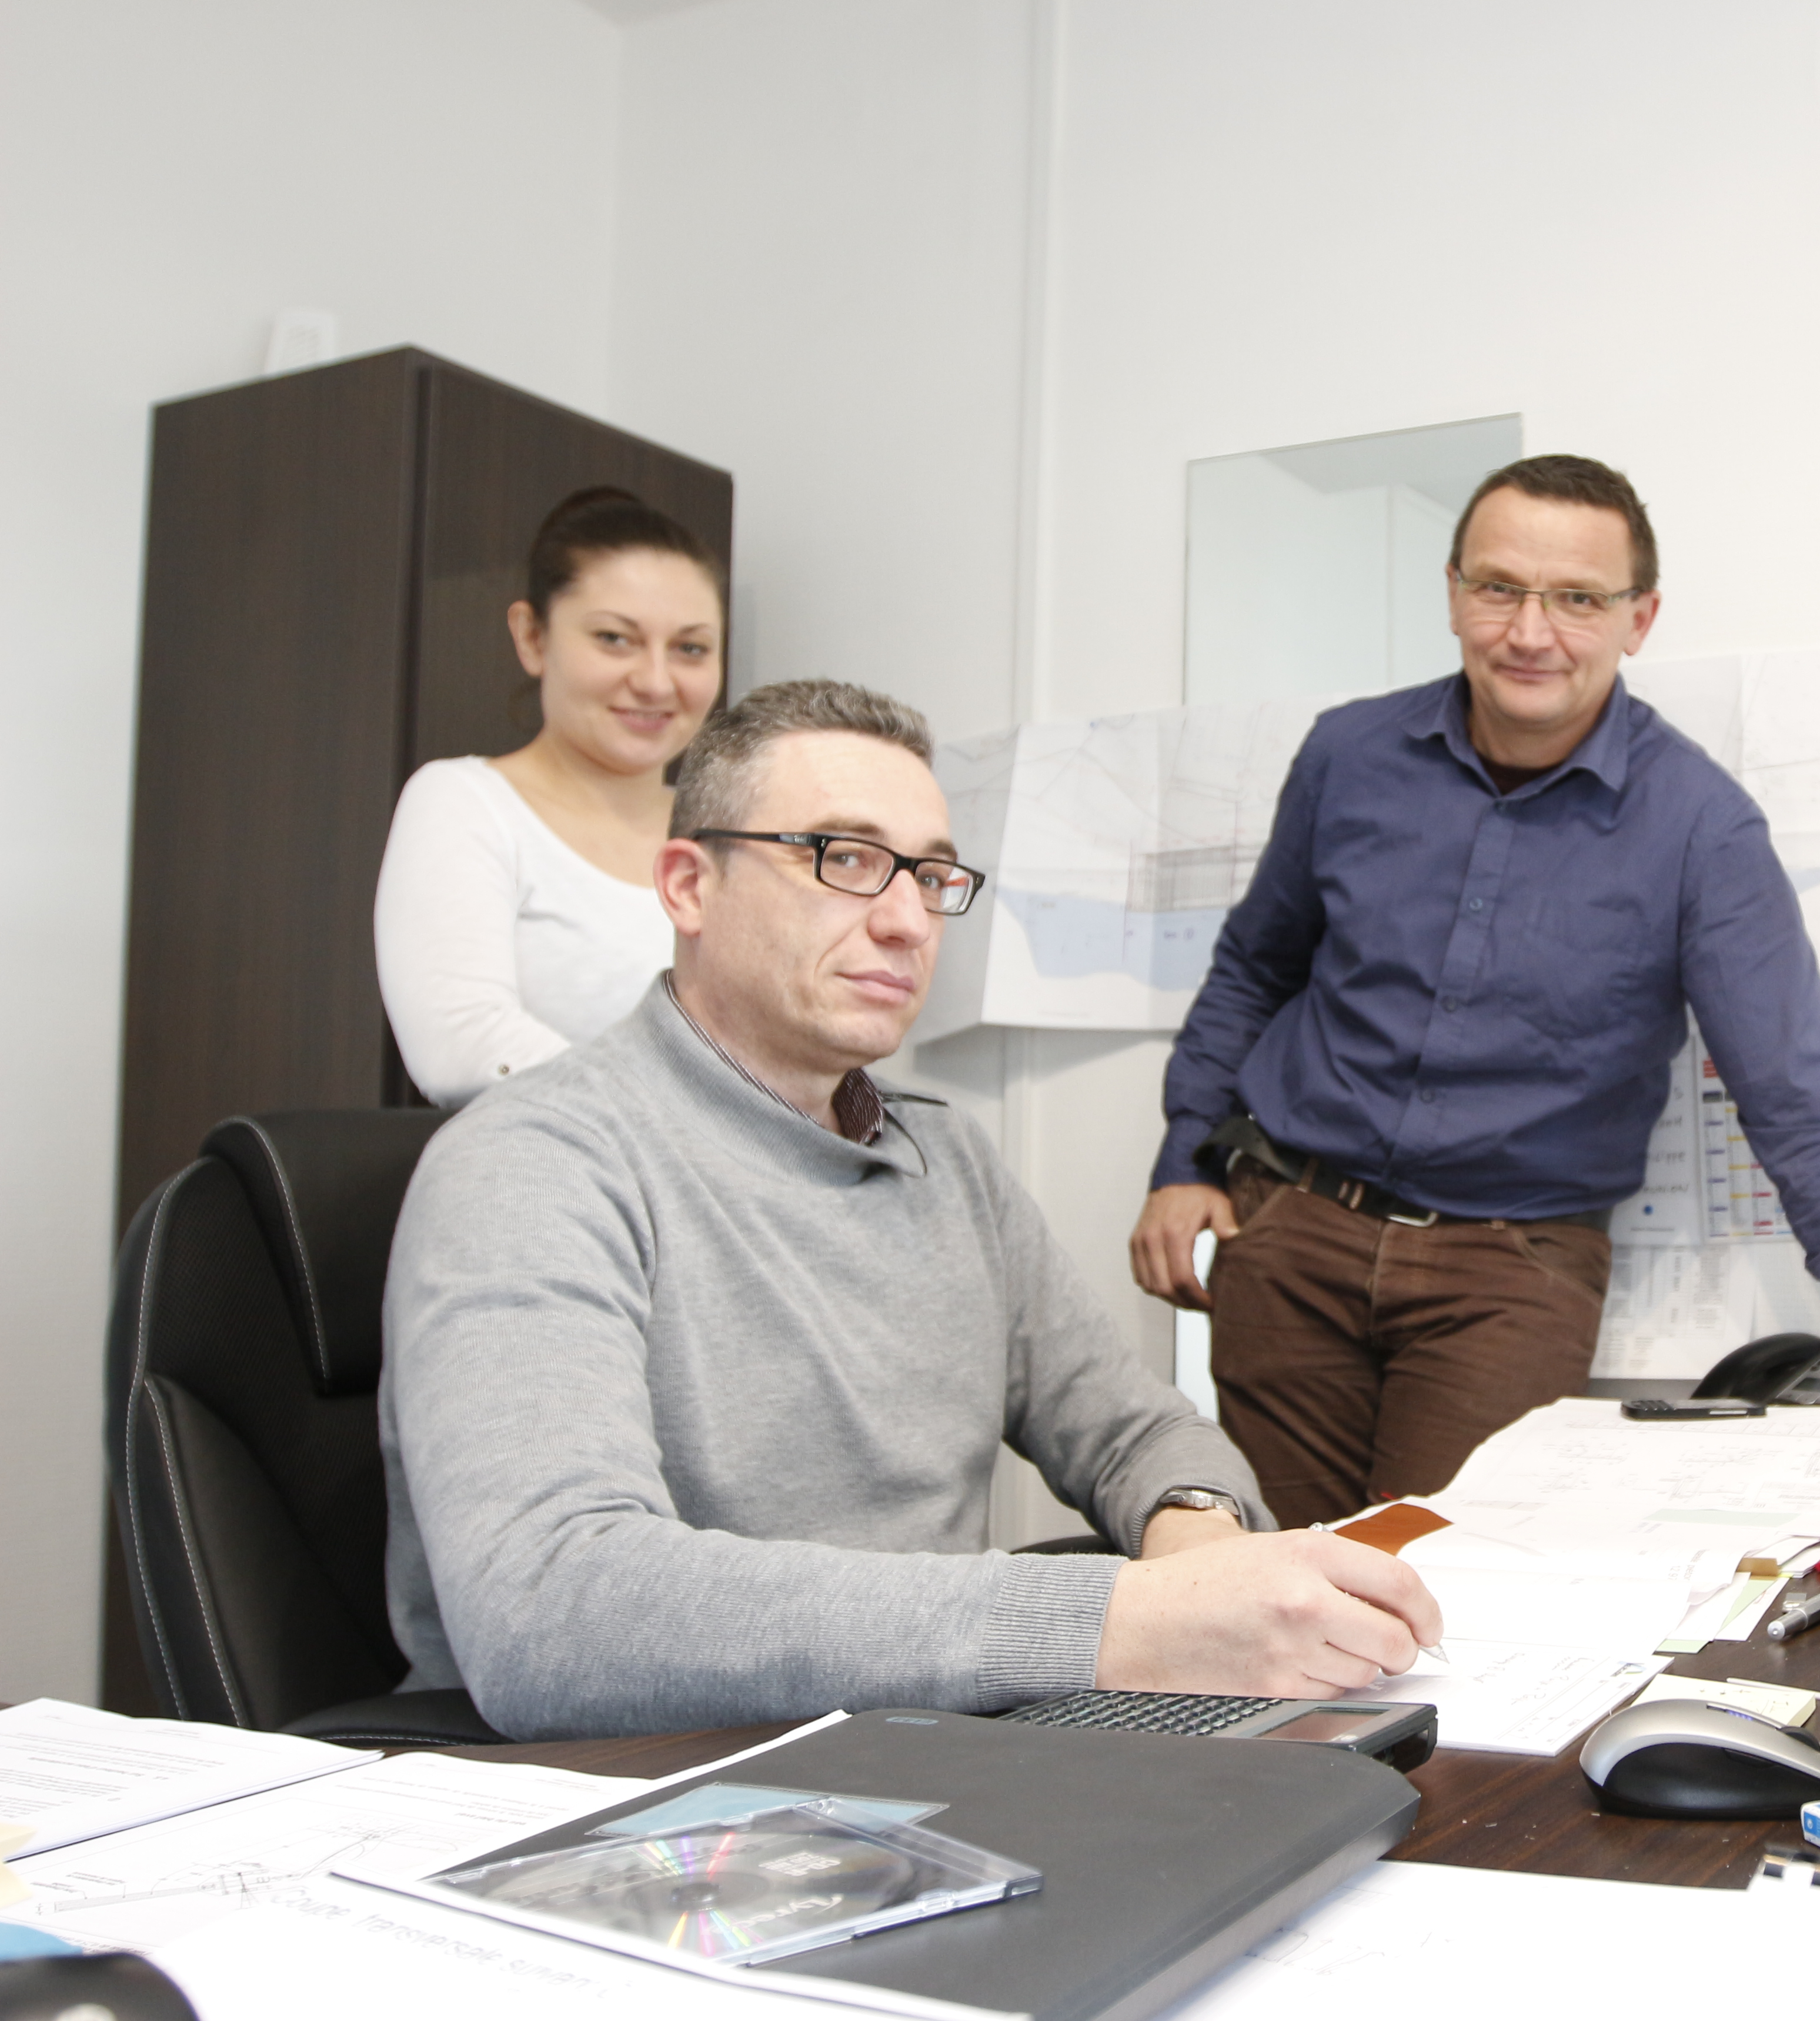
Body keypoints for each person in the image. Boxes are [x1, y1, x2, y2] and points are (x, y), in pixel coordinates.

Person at [379, 679, 1442, 1740]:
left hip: (921, 1747)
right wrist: (1119, 1621)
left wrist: (1195, 1544)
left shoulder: (948, 1159)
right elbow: (552, 1612)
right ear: (690, 886)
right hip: (651, 1783)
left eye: (930, 876)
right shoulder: (533, 1161)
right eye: (843, 860)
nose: (904, 922)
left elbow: (1135, 1427)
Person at [1129, 455, 1820, 1529]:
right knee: (1275, 1570)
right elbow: (1254, 967)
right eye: (1499, 588)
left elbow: (1803, 1109)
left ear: (1637, 618)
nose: (1530, 632)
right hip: (1290, 1234)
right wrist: (1184, 1159)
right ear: (1454, 592)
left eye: (1577, 599)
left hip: (1507, 1274)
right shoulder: (1348, 754)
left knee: (1440, 1575)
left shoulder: (1700, 828)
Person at [374, 486, 725, 1107]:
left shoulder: (732, 834)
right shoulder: (467, 804)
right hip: (548, 1165)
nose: (655, 681)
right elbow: (464, 1047)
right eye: (614, 638)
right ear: (532, 637)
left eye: (690, 648)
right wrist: (689, 1123)